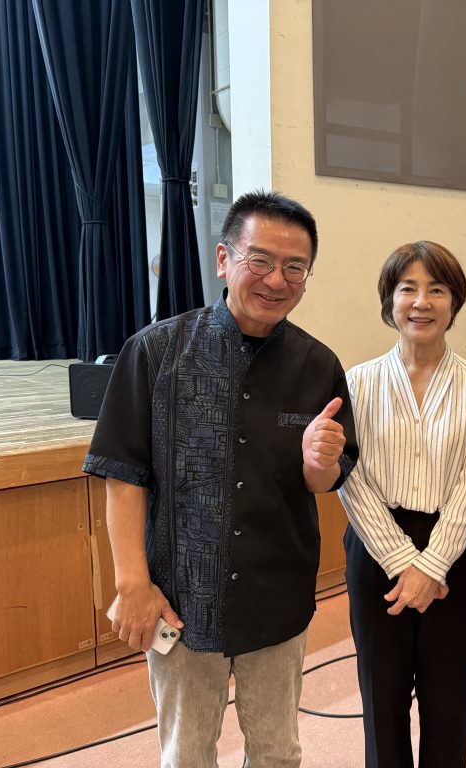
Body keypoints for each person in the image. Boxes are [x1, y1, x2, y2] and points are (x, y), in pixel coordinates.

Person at [83, 190, 359, 768]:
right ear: (223, 258)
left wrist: (320, 461)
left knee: (277, 753)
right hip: (182, 600)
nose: (276, 280)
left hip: (277, 597)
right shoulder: (155, 352)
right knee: (186, 755)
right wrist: (133, 584)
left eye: (295, 267)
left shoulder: (318, 365)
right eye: (260, 260)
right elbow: (122, 474)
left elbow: (323, 483)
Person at [337, 241, 466, 768]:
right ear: (389, 299)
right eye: (407, 288)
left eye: (437, 289)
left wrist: (431, 567)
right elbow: (350, 479)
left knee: (447, 698)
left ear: (455, 302)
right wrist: (401, 561)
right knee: (381, 698)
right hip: (375, 548)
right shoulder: (356, 383)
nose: (421, 302)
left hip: (456, 550)